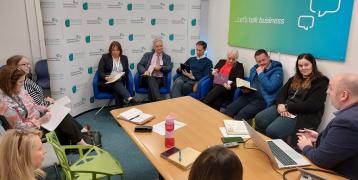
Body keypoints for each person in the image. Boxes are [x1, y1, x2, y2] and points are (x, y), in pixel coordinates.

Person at [6, 55, 90, 143]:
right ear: (14, 67)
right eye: (24, 64)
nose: (28, 66)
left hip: (38, 114)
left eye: (28, 63)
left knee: (61, 112)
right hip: (35, 123)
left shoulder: (25, 81)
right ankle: (81, 138)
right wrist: (45, 107)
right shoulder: (20, 87)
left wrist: (46, 104)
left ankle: (80, 133)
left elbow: (33, 103)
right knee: (61, 115)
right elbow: (21, 125)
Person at [255, 53, 329, 143]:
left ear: (313, 65)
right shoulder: (294, 78)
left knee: (272, 130)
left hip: (300, 114)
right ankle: (264, 143)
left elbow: (311, 105)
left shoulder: (321, 82)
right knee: (259, 118)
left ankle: (276, 149)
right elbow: (281, 94)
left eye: (306, 65)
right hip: (284, 106)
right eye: (300, 66)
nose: (303, 68)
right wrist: (280, 105)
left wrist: (287, 107)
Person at [297, 73, 358, 179]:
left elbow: (321, 160)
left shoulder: (347, 122)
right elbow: (346, 143)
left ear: (344, 95)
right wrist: (320, 137)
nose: (327, 92)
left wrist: (305, 146)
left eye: (330, 88)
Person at [224, 49, 283, 120]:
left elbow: (270, 88)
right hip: (250, 95)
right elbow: (250, 83)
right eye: (259, 61)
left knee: (241, 115)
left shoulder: (277, 71)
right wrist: (245, 89)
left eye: (263, 60)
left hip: (263, 100)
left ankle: (235, 128)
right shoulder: (254, 69)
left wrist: (261, 74)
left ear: (268, 57)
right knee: (229, 109)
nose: (261, 63)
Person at [97, 41, 136, 107]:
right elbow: (100, 72)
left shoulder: (124, 58)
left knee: (117, 91)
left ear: (120, 50)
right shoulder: (105, 57)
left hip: (119, 82)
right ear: (110, 50)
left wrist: (122, 74)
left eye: (117, 50)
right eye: (113, 50)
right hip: (107, 83)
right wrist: (107, 78)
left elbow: (126, 71)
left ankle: (119, 109)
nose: (115, 52)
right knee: (116, 84)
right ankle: (130, 98)